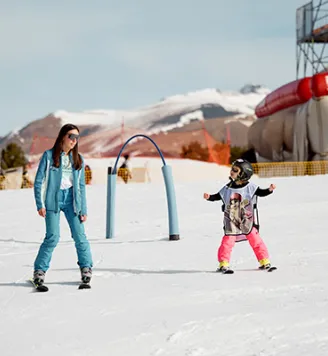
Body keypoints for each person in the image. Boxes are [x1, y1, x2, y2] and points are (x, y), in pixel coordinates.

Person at [33, 124, 93, 286]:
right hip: (53, 200)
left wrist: (83, 209)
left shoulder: (78, 158)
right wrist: (40, 204)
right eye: (71, 136)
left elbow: (81, 187)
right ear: (62, 137)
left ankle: (86, 267)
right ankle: (39, 270)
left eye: (77, 138)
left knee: (80, 236)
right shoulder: (49, 156)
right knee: (52, 237)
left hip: (72, 200)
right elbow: (39, 182)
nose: (74, 141)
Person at [203, 158, 276, 273]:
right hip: (231, 222)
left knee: (256, 240)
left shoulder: (250, 187)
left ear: (243, 174)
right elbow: (218, 196)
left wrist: (269, 190)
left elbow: (261, 192)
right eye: (232, 169)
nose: (232, 172)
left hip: (247, 221)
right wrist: (210, 197)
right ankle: (223, 263)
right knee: (227, 242)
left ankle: (264, 261)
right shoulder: (227, 188)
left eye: (235, 170)